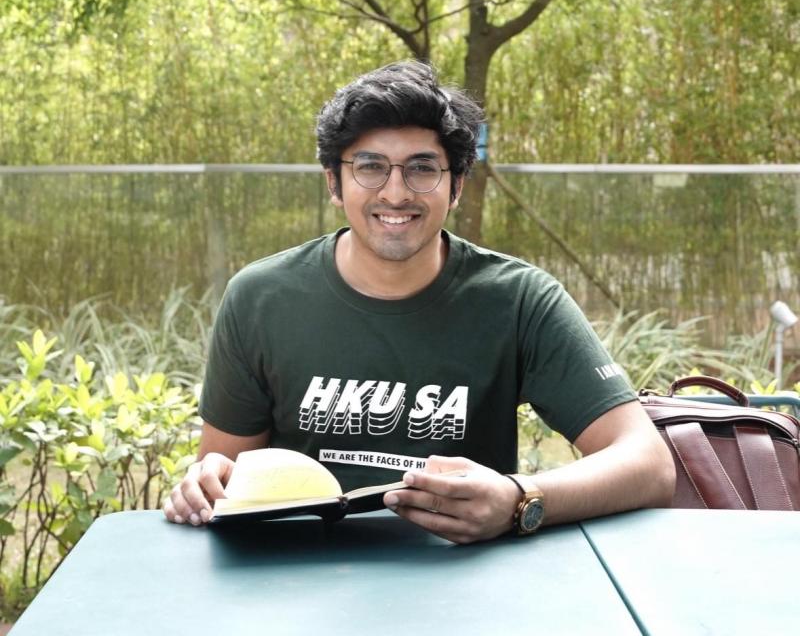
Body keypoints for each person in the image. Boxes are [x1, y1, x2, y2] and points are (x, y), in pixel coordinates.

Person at [163, 60, 675, 542]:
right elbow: (223, 476)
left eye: (422, 169)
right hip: (298, 578)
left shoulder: (518, 300)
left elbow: (647, 463)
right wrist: (205, 482)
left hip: (461, 579)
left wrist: (520, 498)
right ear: (333, 183)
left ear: (455, 187)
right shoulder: (261, 298)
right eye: (370, 167)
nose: (395, 192)